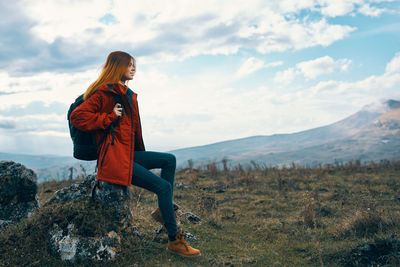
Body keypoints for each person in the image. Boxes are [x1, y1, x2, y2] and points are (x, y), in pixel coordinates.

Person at [69, 51, 201, 257]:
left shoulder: (125, 93)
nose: (133, 68)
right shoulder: (104, 94)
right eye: (129, 64)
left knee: (169, 160)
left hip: (127, 154)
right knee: (164, 187)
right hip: (114, 159)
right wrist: (109, 117)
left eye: (134, 65)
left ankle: (162, 211)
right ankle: (174, 240)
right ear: (117, 66)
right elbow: (78, 117)